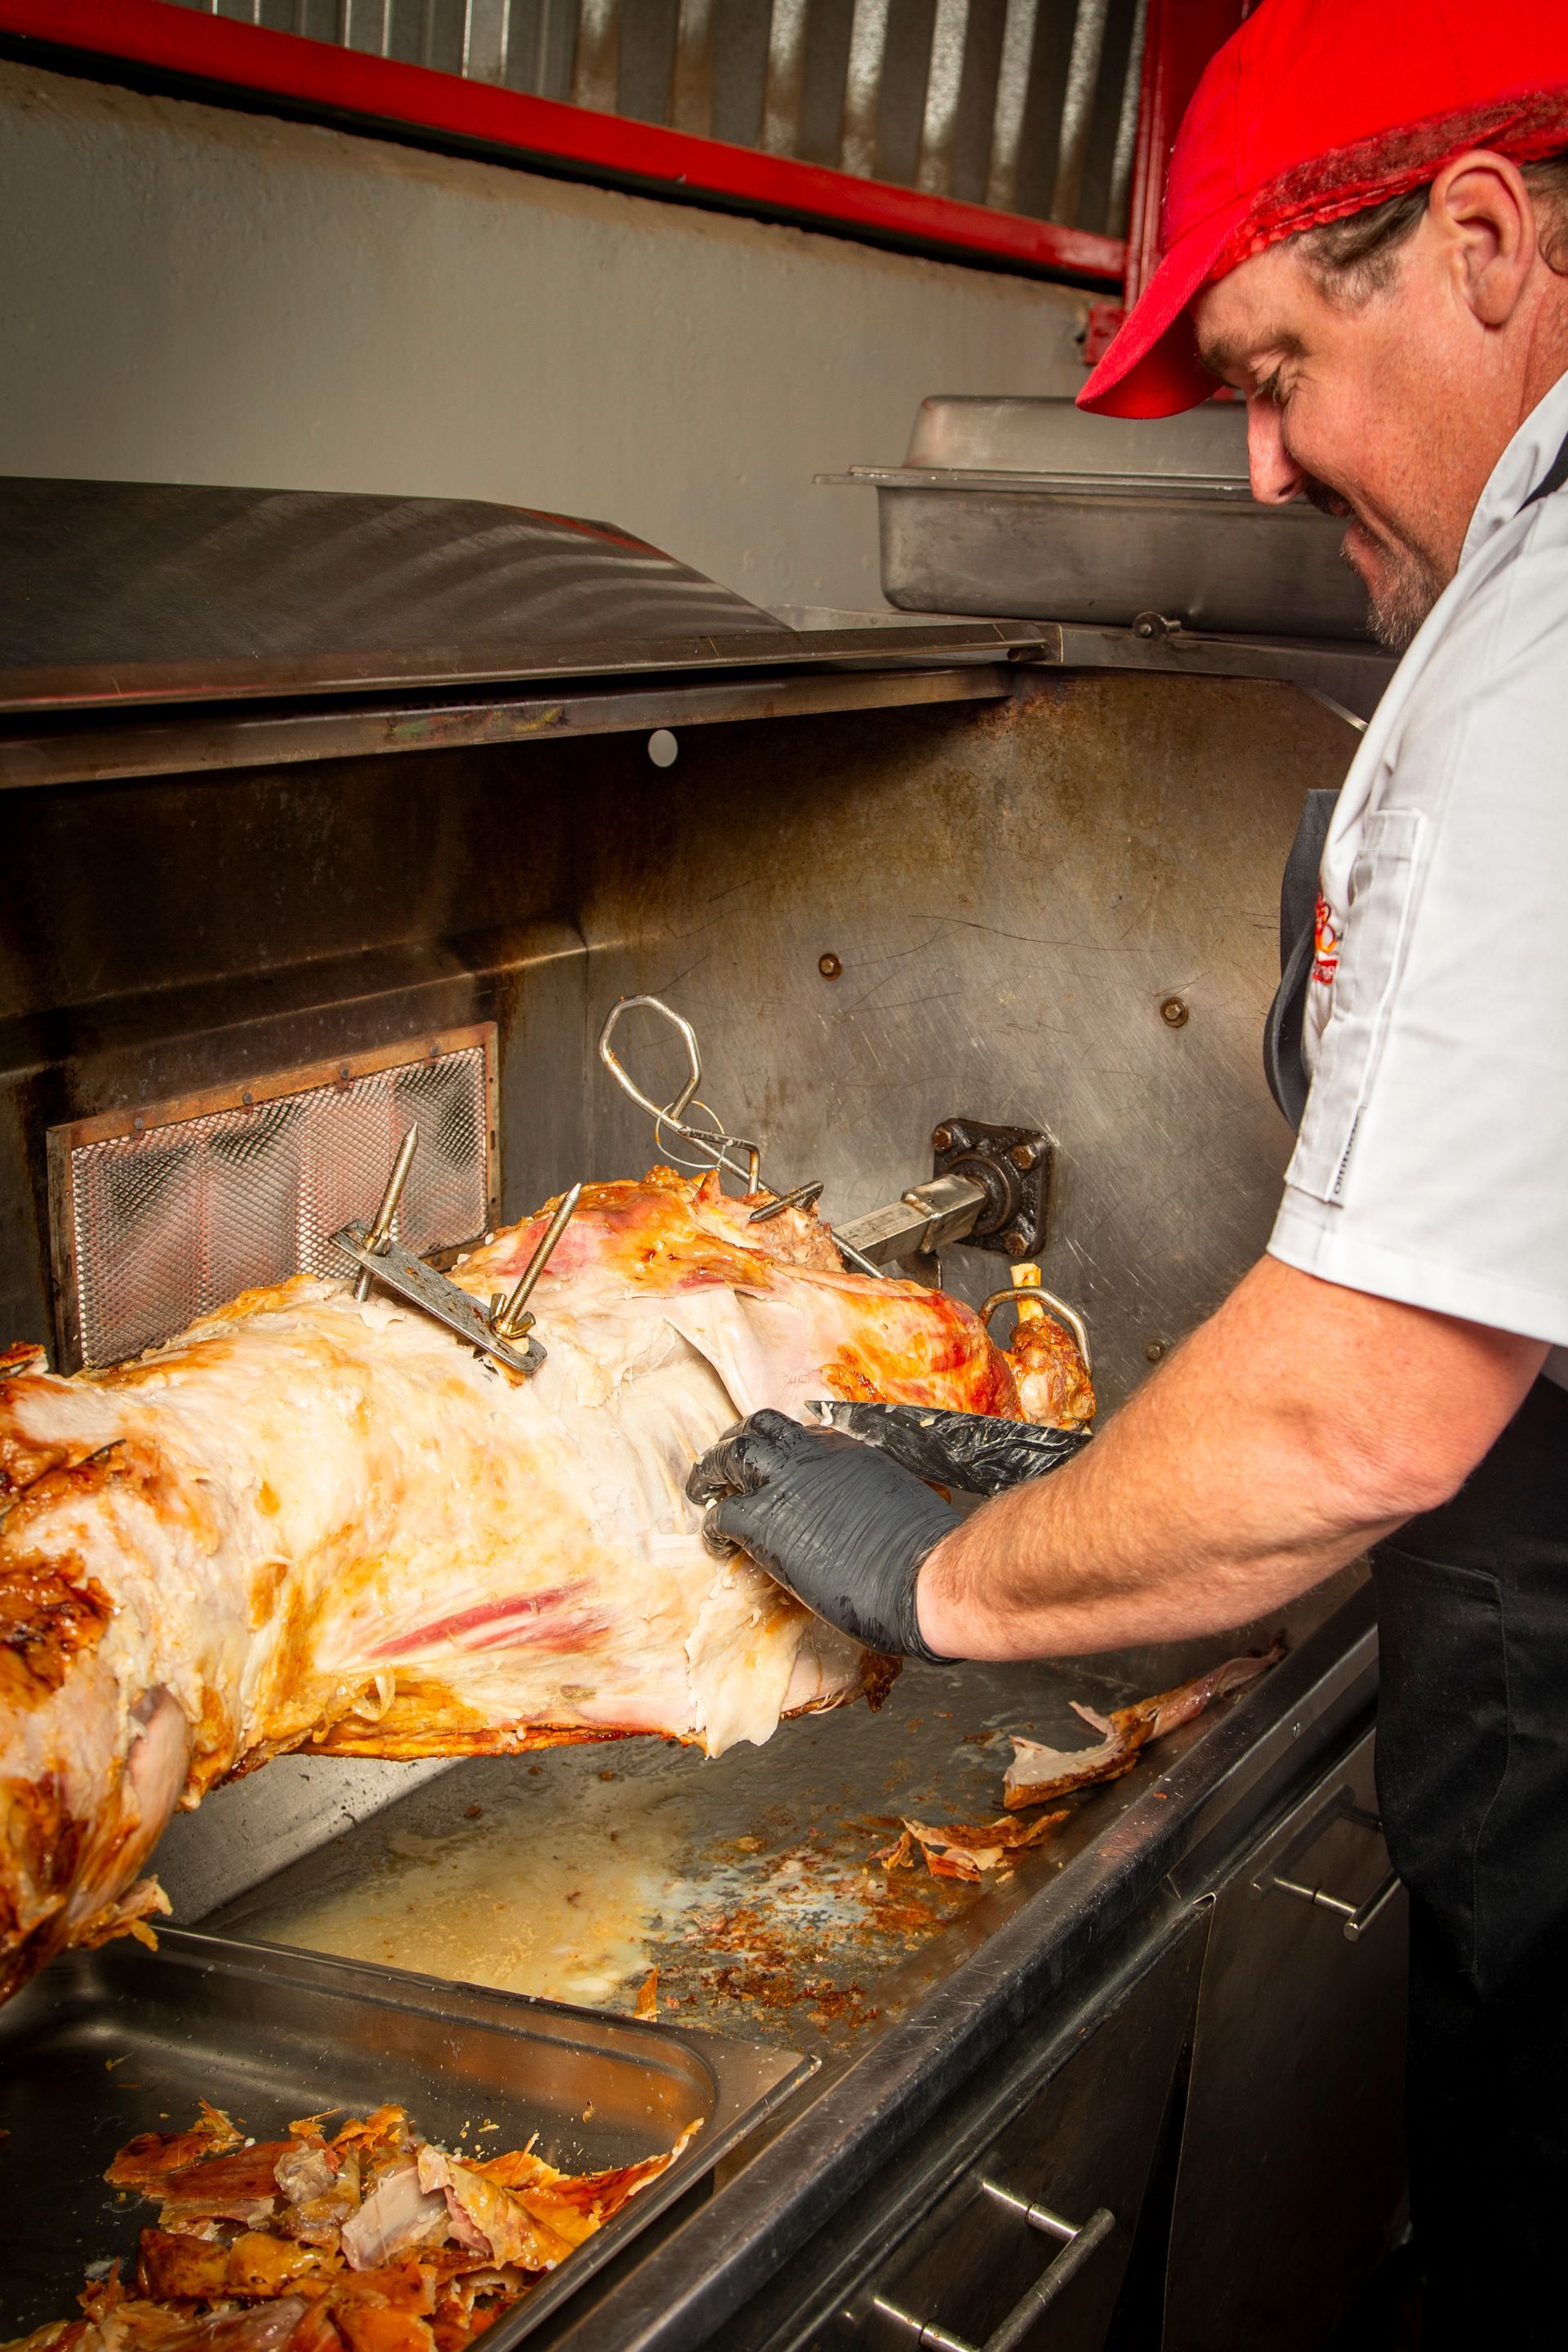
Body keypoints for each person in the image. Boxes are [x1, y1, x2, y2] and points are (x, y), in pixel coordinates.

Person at [687, 1, 1568, 2338]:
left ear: (1481, 243)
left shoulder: (1546, 658)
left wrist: (958, 1578)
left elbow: (1366, 1401)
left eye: (1280, 371)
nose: (1264, 469)